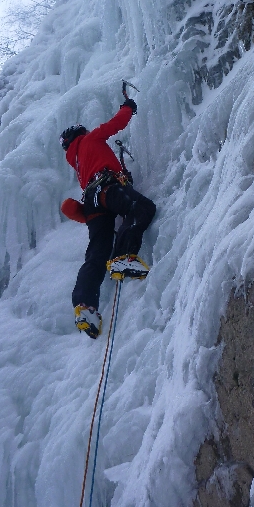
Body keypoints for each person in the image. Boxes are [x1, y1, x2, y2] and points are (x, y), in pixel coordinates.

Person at [59, 98, 156, 339]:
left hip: (92, 201)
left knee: (96, 253)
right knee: (140, 208)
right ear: (81, 133)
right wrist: (129, 107)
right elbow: (114, 124)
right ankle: (123, 257)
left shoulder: (79, 164)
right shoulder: (90, 140)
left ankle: (85, 307)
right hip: (105, 188)